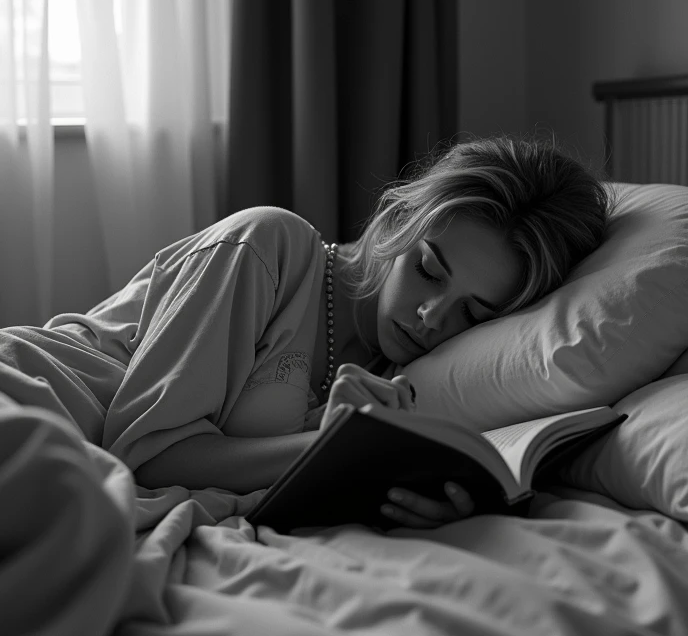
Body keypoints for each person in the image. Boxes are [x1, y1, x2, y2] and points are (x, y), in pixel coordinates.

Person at [38, 132, 611, 529]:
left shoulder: (404, 375)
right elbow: (151, 455)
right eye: (428, 270)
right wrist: (334, 448)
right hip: (37, 399)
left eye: (474, 314)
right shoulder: (270, 247)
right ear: (395, 219)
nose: (432, 318)